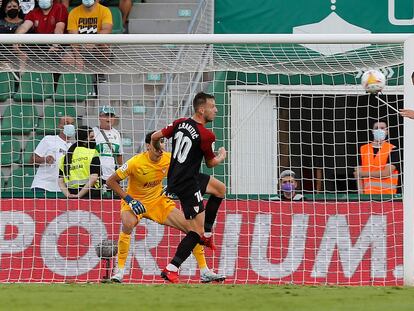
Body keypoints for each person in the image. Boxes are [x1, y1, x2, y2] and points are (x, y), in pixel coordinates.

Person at [107, 131, 225, 283]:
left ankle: (204, 271)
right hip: (136, 202)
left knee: (193, 228)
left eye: (162, 142)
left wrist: (171, 187)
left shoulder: (169, 159)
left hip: (158, 202)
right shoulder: (135, 163)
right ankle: (120, 271)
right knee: (127, 223)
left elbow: (184, 174)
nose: (159, 146)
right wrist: (130, 200)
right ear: (148, 146)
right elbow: (110, 181)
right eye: (156, 143)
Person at [151, 92, 227, 283]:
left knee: (220, 189)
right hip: (186, 183)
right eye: (212, 106)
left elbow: (155, 136)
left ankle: (208, 234)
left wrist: (157, 147)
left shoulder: (179, 122)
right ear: (202, 110)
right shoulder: (206, 135)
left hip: (184, 176)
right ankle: (172, 267)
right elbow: (211, 163)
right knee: (195, 231)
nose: (216, 110)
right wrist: (221, 156)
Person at [31, 116, 75, 194]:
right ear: (59, 126)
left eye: (72, 124)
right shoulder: (48, 139)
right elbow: (32, 159)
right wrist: (45, 159)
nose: (70, 126)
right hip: (43, 186)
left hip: (62, 189)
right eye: (66, 123)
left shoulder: (73, 147)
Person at [354, 120, 400, 195]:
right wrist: (361, 195)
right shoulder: (363, 149)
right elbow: (357, 175)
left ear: (387, 131)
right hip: (367, 195)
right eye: (376, 128)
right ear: (372, 131)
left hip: (388, 196)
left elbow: (386, 173)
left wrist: (362, 173)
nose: (379, 130)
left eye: (382, 128)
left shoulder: (393, 149)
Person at [65, 0, 112, 70]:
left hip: (97, 43)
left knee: (104, 44)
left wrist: (93, 41)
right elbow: (73, 36)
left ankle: (100, 73)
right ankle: (76, 77)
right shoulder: (73, 12)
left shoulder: (105, 10)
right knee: (66, 59)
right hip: (79, 44)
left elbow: (107, 29)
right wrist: (78, 57)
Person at [58, 126, 102, 199]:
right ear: (84, 139)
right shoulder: (93, 153)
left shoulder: (65, 157)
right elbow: (93, 178)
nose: (94, 139)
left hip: (71, 194)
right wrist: (79, 195)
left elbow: (60, 181)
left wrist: (68, 195)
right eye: (91, 137)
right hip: (91, 194)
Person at [92, 106, 123, 193]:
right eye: (106, 115)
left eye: (111, 116)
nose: (109, 118)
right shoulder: (93, 132)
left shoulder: (116, 133)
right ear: (100, 117)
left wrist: (120, 174)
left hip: (112, 176)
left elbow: (119, 154)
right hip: (97, 175)